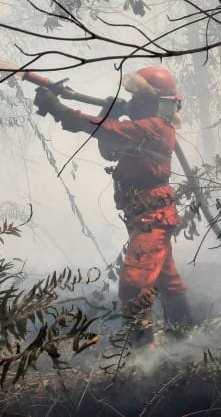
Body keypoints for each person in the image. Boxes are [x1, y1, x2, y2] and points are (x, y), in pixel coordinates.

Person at [33, 66, 191, 344]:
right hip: (143, 214)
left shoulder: (154, 128)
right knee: (167, 279)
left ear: (151, 102)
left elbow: (106, 130)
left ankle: (143, 356)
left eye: (138, 97)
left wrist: (59, 109)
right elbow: (109, 149)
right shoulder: (141, 130)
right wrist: (113, 114)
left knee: (134, 282)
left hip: (153, 215)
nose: (133, 101)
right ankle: (187, 337)